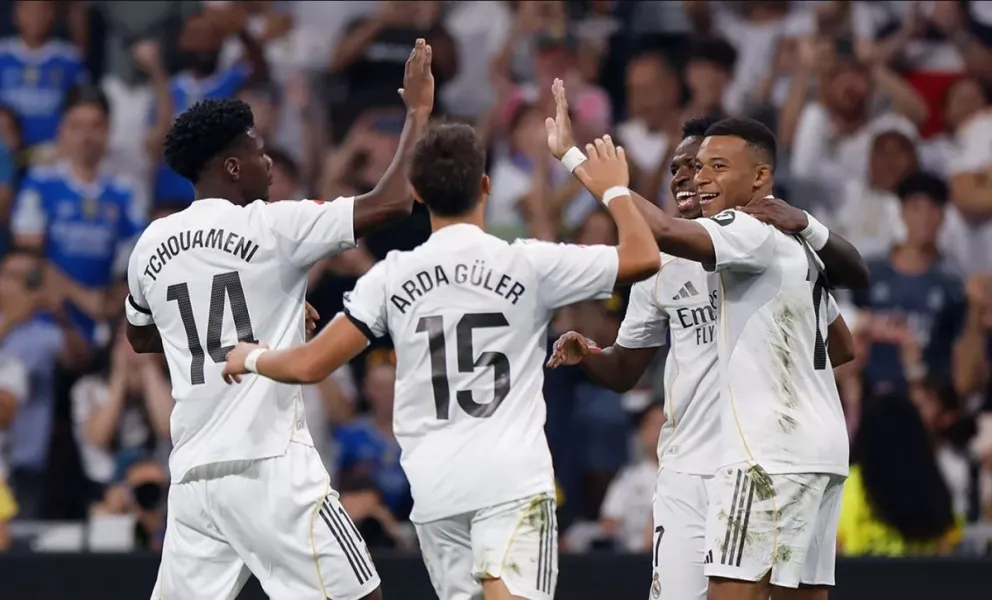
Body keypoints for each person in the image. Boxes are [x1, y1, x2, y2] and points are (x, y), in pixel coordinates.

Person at [222, 124, 662, 598]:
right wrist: (612, 186)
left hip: (435, 489)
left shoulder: (390, 276)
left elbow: (309, 365)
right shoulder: (529, 263)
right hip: (508, 480)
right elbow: (643, 255)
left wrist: (252, 356)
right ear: (486, 187)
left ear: (415, 192)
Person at [125, 38, 435, 600]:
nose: (271, 162)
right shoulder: (274, 227)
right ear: (233, 165)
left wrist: (270, 311)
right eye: (260, 151)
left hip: (194, 477)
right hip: (270, 466)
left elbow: (142, 334)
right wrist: (417, 113)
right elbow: (391, 201)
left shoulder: (152, 243)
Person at [543, 84, 862, 600]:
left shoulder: (759, 236)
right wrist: (590, 355)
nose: (687, 177)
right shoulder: (659, 266)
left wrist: (586, 168)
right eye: (678, 169)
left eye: (704, 167)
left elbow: (838, 343)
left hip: (758, 454)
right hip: (692, 468)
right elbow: (626, 369)